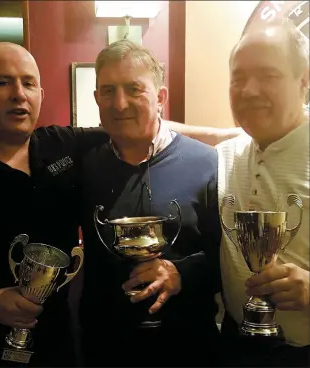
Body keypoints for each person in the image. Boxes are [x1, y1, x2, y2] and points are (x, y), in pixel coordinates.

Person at [171, 19, 310, 367]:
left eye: (268, 75)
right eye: (238, 78)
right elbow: (173, 132)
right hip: (233, 345)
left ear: (303, 82)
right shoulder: (226, 155)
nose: (248, 90)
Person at [78, 39, 223, 367]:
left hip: (188, 348)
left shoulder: (206, 163)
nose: (119, 103)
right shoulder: (84, 166)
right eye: (108, 90)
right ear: (96, 98)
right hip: (105, 350)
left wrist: (182, 273)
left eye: (134, 89)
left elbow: (229, 259)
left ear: (160, 98)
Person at [0, 42, 109, 367]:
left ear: (41, 95)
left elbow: (137, 128)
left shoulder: (64, 145)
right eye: (3, 82)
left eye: (28, 83)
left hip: (61, 339)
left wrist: (230, 136)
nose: (19, 94)